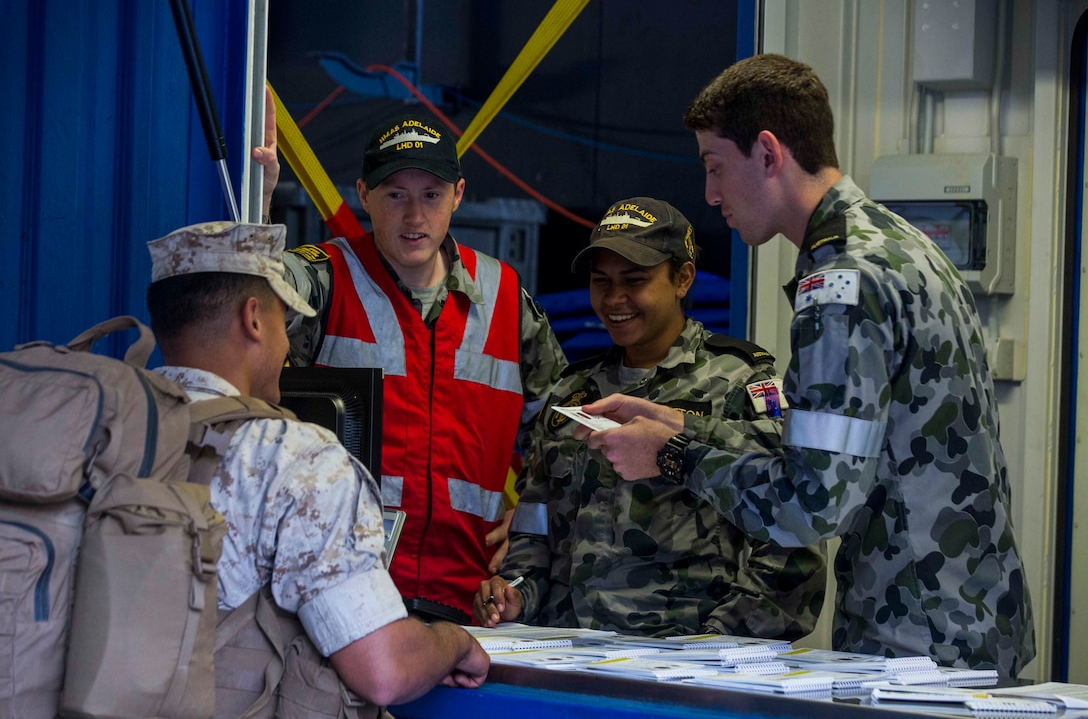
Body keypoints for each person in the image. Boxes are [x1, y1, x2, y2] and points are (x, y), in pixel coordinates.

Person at [575, 55, 1035, 677]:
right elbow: (838, 445)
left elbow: (815, 500)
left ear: (767, 154)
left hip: (916, 642)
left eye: (715, 168)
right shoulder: (900, 243)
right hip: (967, 616)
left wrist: (672, 456)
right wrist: (682, 423)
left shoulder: (838, 282)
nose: (711, 196)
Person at [145, 221, 490, 714]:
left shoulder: (97, 432)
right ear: (254, 320)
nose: (288, 347)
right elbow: (384, 671)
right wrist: (454, 641)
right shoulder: (294, 458)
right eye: (284, 319)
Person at [473, 197, 826, 640]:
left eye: (634, 281)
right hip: (570, 655)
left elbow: (795, 538)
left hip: (684, 663)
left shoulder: (739, 384)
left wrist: (717, 641)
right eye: (601, 281)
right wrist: (516, 593)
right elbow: (533, 532)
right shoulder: (572, 392)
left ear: (682, 278)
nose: (614, 299)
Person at [264, 110, 567, 621]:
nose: (414, 216)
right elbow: (246, 301)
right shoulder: (327, 276)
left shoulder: (503, 296)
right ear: (363, 194)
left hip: (474, 601)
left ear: (458, 195)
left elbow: (566, 428)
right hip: (344, 596)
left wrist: (536, 520)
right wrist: (262, 200)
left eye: (430, 195)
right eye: (395, 194)